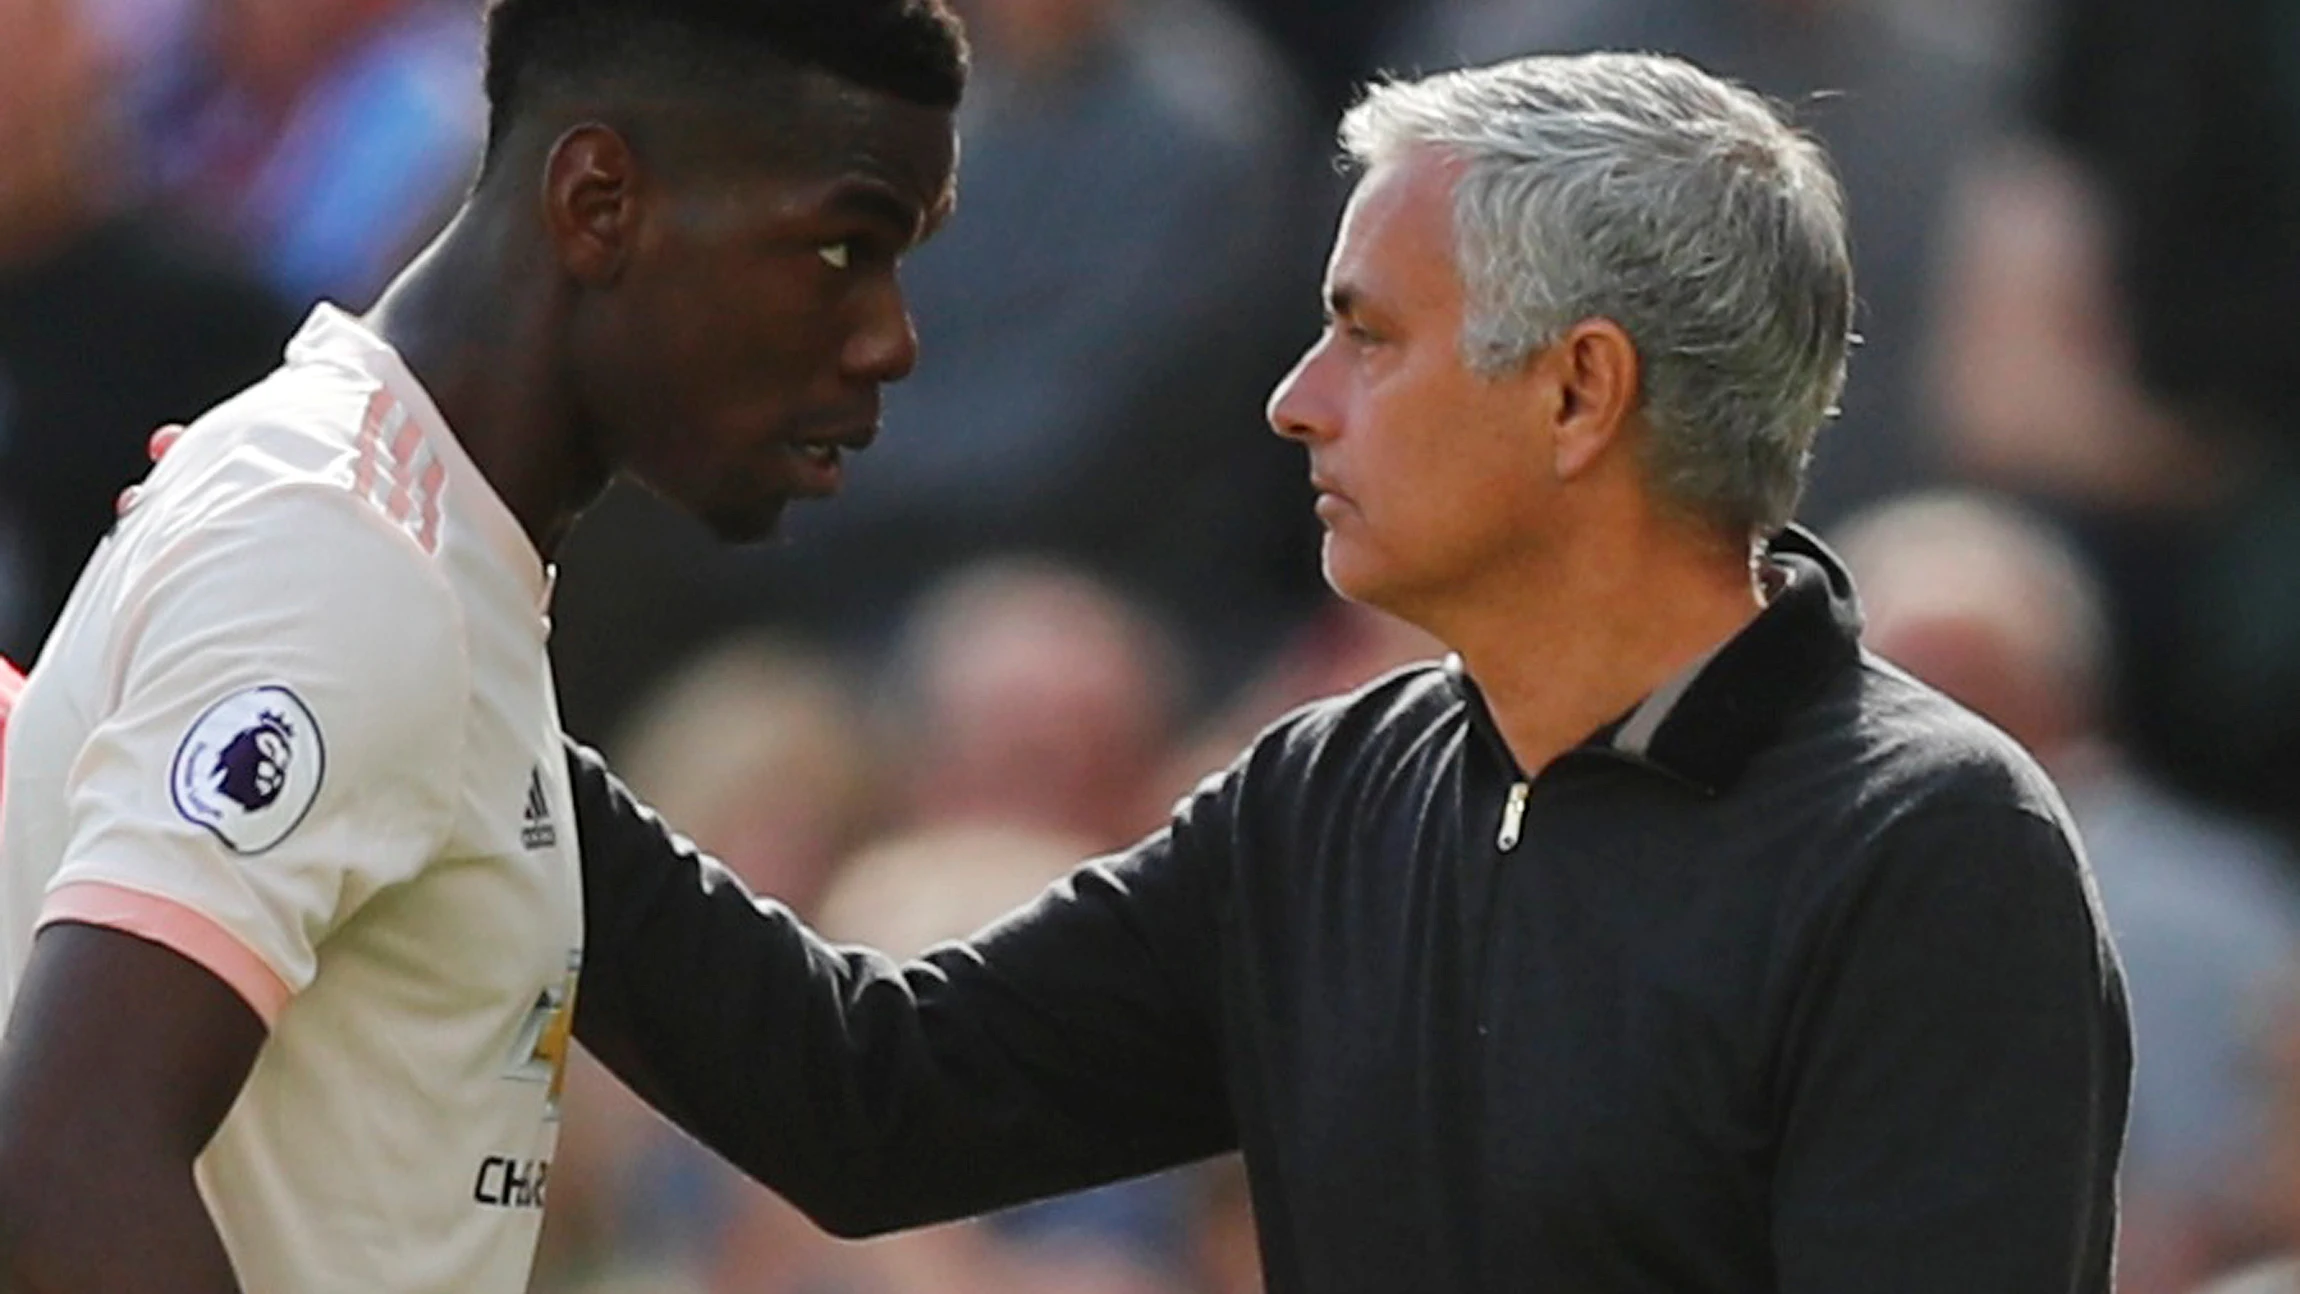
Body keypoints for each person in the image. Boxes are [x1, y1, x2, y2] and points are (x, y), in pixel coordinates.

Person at [566, 51, 2131, 1292]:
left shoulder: (1932, 850)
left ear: (1582, 391)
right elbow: (874, 1096)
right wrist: (484, 706)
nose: (1297, 402)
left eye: (1367, 335)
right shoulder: (1328, 795)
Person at [0, 0, 964, 1290]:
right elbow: (71, 1159)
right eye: (846, 247)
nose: (890, 337)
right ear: (599, 201)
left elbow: (855, 1088)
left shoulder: (426, 552)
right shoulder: (345, 553)